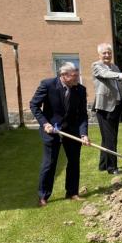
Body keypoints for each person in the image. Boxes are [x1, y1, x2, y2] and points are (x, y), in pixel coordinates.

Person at [29, 62, 90, 207]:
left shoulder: (80, 90)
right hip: (51, 129)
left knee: (74, 161)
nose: (77, 78)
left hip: (71, 129)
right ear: (63, 75)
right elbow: (34, 105)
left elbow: (82, 115)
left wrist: (83, 134)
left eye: (77, 75)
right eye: (74, 76)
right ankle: (43, 196)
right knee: (50, 162)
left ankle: (72, 192)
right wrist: (45, 123)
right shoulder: (47, 85)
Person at [92, 43, 122, 175]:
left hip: (117, 106)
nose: (107, 55)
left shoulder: (114, 66)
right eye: (104, 53)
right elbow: (106, 75)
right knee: (110, 138)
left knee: (107, 137)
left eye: (109, 53)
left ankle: (103, 165)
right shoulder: (96, 66)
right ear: (99, 55)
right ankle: (112, 168)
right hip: (104, 107)